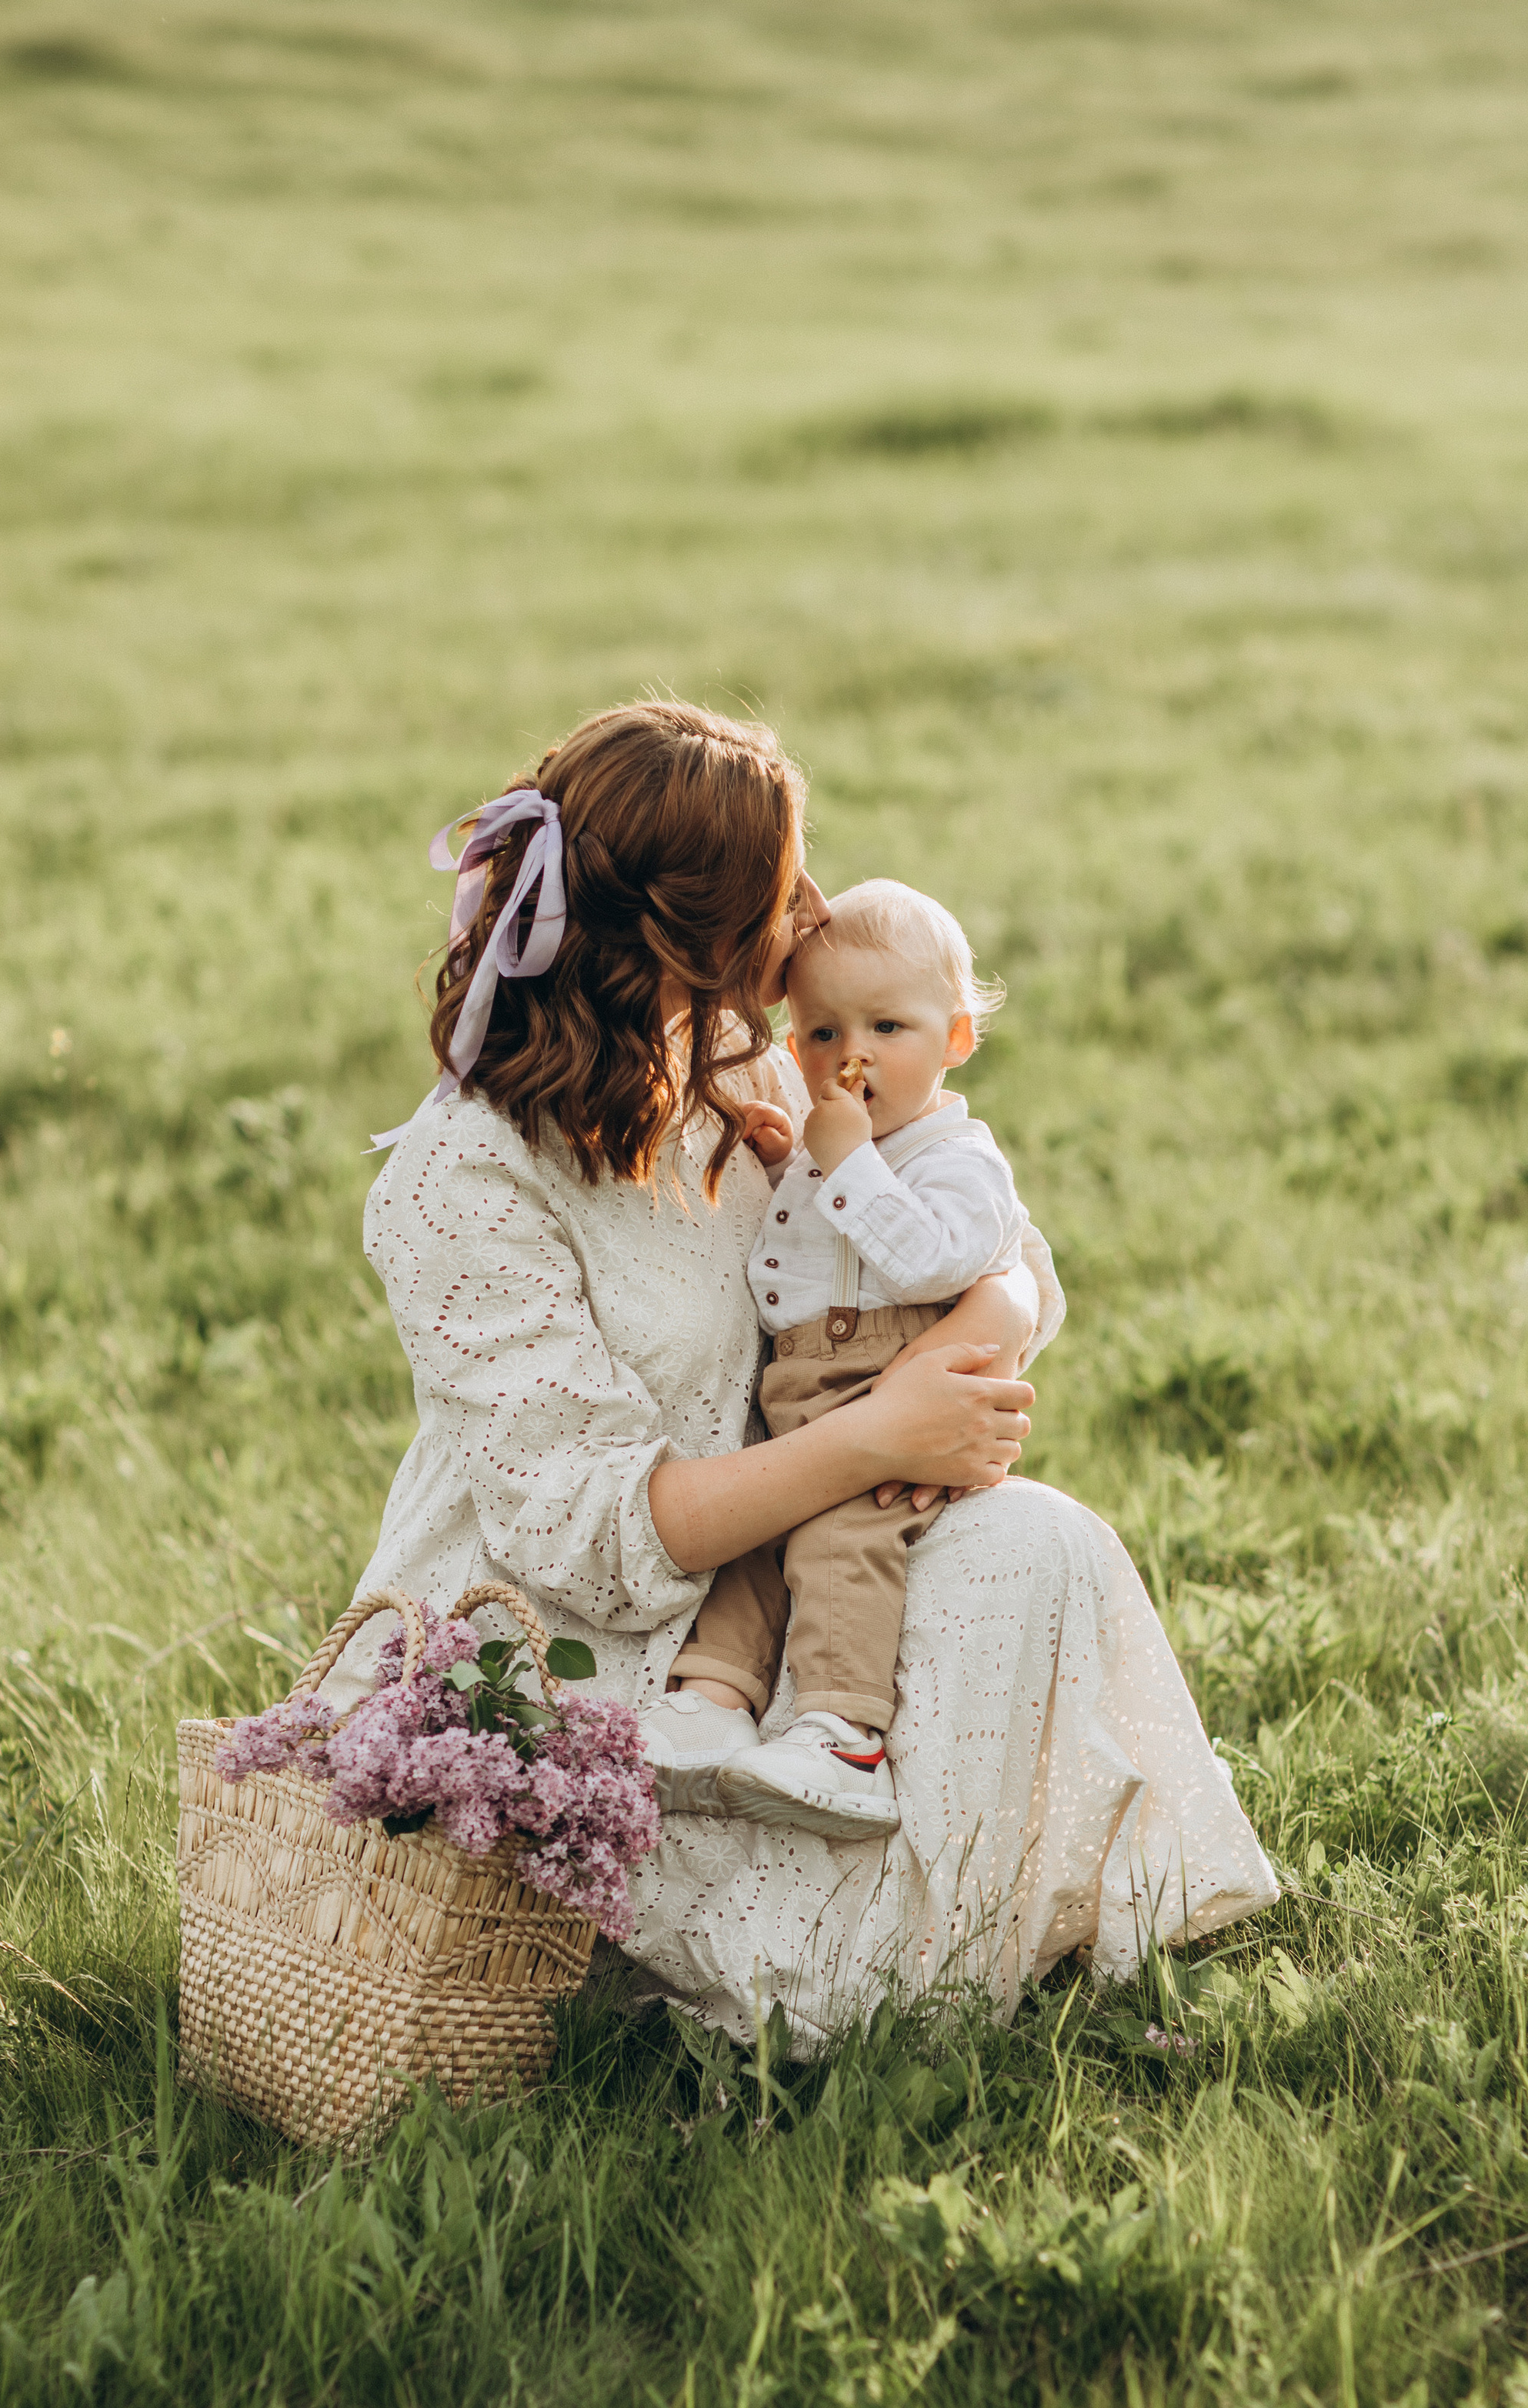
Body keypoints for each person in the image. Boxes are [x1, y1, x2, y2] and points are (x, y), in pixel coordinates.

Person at [341, 698, 1277, 2049]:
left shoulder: (736, 1060)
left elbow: (993, 1252)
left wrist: (963, 1354)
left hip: (788, 1573)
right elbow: (592, 1542)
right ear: (691, 936)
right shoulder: (464, 1178)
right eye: (788, 887)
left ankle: (972, 1924)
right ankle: (800, 1969)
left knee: (1041, 1543)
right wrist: (882, 1432)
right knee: (838, 1995)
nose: (821, 908)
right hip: (583, 1660)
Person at [652, 879, 1036, 1842]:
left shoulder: (959, 1157)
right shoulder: (842, 1139)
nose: (852, 1054)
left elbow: (933, 1259)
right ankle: (710, 1701)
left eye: (888, 1028)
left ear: (955, 1039)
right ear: (794, 1046)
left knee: (838, 1547)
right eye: (823, 1034)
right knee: (754, 1542)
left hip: (884, 1378)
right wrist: (793, 1164)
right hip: (795, 1384)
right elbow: (823, 1248)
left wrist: (847, 1163)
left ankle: (842, 1733)